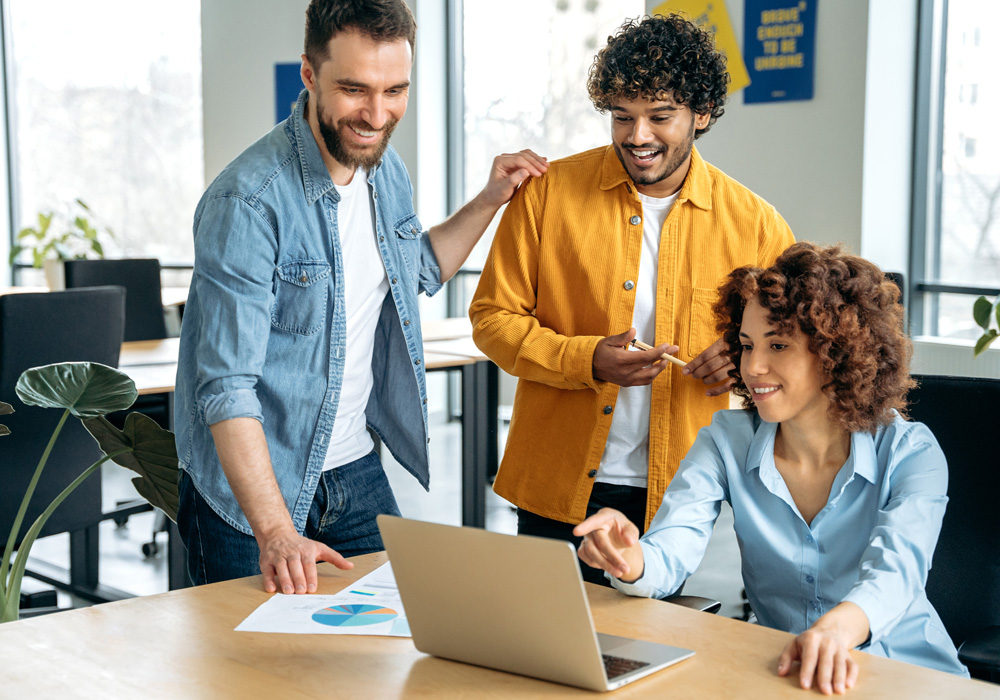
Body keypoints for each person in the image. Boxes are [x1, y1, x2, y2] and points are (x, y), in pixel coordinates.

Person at [174, 0, 547, 594]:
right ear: (309, 74)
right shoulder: (247, 202)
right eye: (354, 90)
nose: (377, 114)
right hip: (254, 496)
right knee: (257, 676)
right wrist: (275, 531)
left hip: (351, 465)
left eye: (395, 90)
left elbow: (416, 271)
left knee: (391, 651)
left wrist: (488, 200)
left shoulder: (383, 168)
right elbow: (225, 386)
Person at [469, 13, 794, 584]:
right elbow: (492, 320)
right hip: (555, 481)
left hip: (680, 492)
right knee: (545, 652)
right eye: (622, 116)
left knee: (649, 662)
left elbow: (792, 348)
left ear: (702, 113)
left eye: (659, 116)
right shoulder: (545, 197)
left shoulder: (759, 226)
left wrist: (741, 361)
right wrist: (589, 358)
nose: (637, 136)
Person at [575, 242, 969, 692]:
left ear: (835, 352)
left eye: (778, 345)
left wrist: (834, 631)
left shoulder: (910, 452)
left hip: (907, 675)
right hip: (785, 673)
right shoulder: (725, 439)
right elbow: (672, 547)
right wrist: (632, 560)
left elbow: (895, 575)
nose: (753, 366)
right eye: (745, 345)